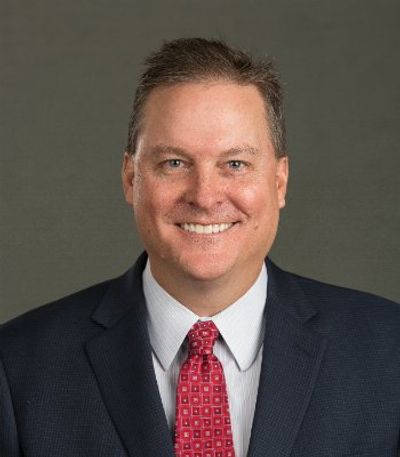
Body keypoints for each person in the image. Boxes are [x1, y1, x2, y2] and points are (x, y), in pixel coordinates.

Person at [0, 38, 399, 457]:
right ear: (131, 179)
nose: (205, 197)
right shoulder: (18, 367)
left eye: (235, 164)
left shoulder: (389, 352)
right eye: (174, 163)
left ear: (279, 182)